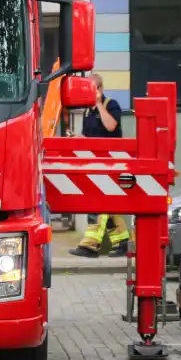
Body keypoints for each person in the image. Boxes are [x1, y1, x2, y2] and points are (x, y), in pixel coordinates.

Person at [68, 73, 131, 258]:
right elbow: (90, 137)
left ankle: (90, 245)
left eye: (92, 89)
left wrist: (98, 104)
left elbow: (111, 126)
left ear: (100, 89)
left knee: (99, 203)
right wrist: (78, 139)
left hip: (111, 162)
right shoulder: (88, 111)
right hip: (94, 162)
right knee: (109, 205)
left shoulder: (111, 105)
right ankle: (122, 242)